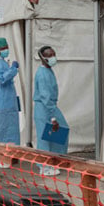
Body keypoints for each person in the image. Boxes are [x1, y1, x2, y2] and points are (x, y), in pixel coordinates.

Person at [33, 46, 68, 176]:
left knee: (61, 130)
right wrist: (53, 118)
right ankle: (44, 166)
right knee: (45, 137)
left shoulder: (48, 71)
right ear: (43, 58)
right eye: (50, 55)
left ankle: (54, 161)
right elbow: (45, 96)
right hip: (44, 108)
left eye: (54, 54)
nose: (53, 57)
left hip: (50, 106)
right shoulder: (42, 74)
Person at [0, 37, 20, 168]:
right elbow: (1, 79)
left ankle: (9, 156)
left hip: (8, 99)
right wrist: (12, 69)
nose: (6, 50)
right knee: (0, 129)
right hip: (1, 99)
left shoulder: (2, 62)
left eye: (6, 47)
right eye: (3, 48)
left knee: (10, 128)